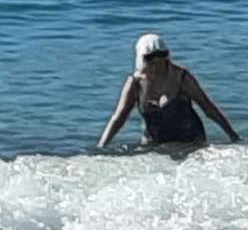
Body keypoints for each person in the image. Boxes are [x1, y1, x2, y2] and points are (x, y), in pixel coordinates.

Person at [98, 33, 237, 148]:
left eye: (161, 61)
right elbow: (119, 118)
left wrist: (233, 136)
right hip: (155, 141)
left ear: (167, 58)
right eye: (151, 62)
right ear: (141, 61)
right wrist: (101, 147)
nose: (157, 67)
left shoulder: (181, 77)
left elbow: (208, 108)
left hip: (190, 139)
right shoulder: (135, 83)